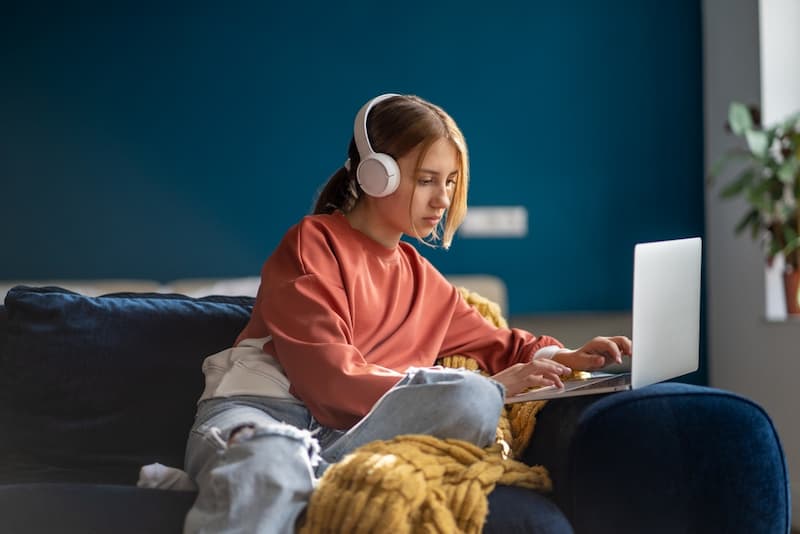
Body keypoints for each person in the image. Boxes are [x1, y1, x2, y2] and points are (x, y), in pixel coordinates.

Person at [183, 93, 631, 534]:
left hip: (346, 438)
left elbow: (505, 345)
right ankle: (261, 475)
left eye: (451, 181)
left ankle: (293, 482)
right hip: (266, 415)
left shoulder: (425, 281)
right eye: (426, 180)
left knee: (472, 399)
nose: (442, 199)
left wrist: (569, 356)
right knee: (272, 461)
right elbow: (329, 384)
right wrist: (490, 386)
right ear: (377, 175)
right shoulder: (312, 243)